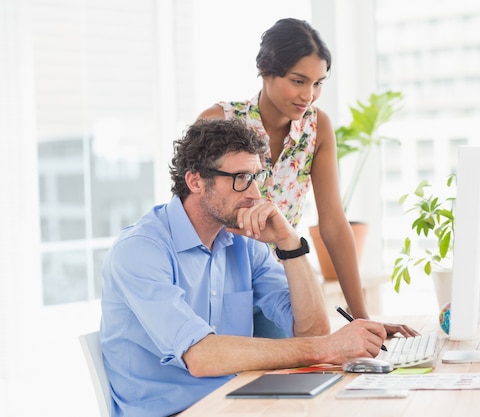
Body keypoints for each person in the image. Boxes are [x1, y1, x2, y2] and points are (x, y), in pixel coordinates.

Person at [99, 118, 387, 417]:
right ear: (195, 181)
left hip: (237, 400)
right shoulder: (141, 250)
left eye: (255, 178)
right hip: (174, 411)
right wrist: (327, 348)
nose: (254, 195)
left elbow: (311, 330)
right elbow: (200, 356)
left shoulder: (245, 243)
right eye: (240, 179)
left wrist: (290, 244)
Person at [197, 18, 416, 338]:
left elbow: (333, 221)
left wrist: (362, 318)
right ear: (266, 71)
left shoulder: (316, 128)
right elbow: (191, 208)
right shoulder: (218, 120)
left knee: (304, 361)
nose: (309, 95)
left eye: (318, 83)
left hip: (279, 277)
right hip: (220, 279)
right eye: (299, 81)